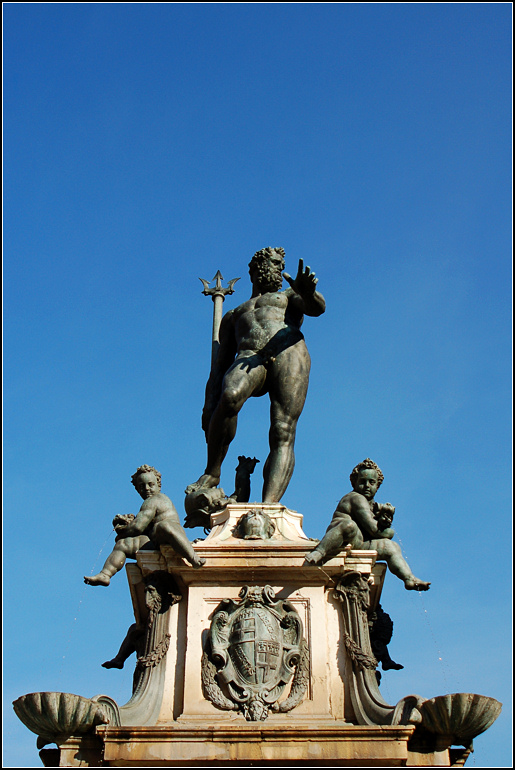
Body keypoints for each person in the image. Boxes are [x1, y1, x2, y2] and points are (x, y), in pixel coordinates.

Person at [190, 247, 325, 503]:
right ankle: (212, 472)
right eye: (275, 263)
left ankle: (269, 504)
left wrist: (309, 292)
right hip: (249, 357)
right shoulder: (234, 314)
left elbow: (316, 308)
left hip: (288, 350)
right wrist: (209, 403)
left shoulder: (288, 296)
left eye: (280, 264)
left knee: (282, 429)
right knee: (229, 396)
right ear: (257, 268)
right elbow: (219, 367)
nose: (279, 269)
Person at [305, 458, 430, 591]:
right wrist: (388, 531)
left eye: (371, 482)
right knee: (350, 526)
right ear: (354, 483)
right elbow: (373, 530)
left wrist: (383, 520)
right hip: (341, 538)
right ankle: (319, 552)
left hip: (358, 542)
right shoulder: (355, 498)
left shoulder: (372, 504)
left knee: (391, 547)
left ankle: (409, 578)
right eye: (362, 482)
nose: (367, 486)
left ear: (377, 486)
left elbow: (375, 529)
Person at [84, 465, 205, 586]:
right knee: (123, 544)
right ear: (137, 489)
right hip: (156, 541)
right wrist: (124, 529)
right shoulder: (147, 504)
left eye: (150, 484)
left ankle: (193, 557)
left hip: (170, 537)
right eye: (142, 486)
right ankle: (105, 574)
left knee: (163, 526)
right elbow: (141, 527)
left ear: (158, 485)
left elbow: (137, 527)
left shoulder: (156, 499)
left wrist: (123, 533)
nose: (147, 489)